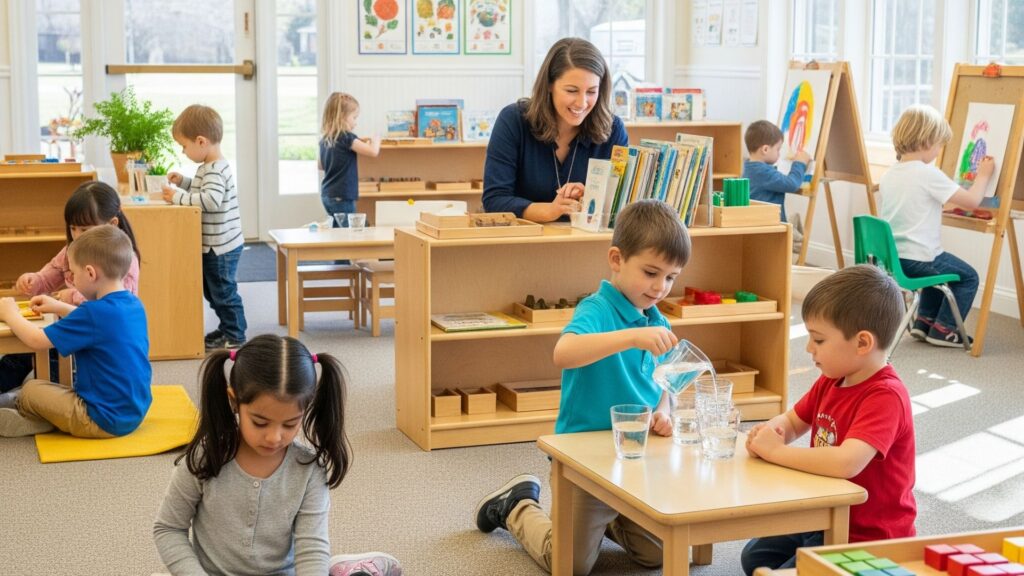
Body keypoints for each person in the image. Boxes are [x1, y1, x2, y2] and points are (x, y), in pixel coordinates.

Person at [473, 200, 691, 575]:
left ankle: (606, 519)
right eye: (651, 273)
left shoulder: (658, 324)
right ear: (617, 259)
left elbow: (666, 386)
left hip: (634, 460)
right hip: (584, 461)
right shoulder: (597, 309)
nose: (660, 288)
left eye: (671, 277)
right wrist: (630, 337)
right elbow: (564, 352)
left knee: (665, 554)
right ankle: (517, 506)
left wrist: (663, 412)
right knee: (570, 565)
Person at [152, 334, 402, 576]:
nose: (274, 437)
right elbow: (169, 528)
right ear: (234, 400)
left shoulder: (309, 469)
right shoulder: (205, 457)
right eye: (260, 422)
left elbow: (311, 548)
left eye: (290, 424)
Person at [740, 265, 915, 575]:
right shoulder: (833, 379)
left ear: (862, 343)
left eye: (818, 340)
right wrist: (771, 432)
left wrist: (777, 452)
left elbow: (845, 463)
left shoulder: (886, 396)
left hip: (868, 538)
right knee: (754, 558)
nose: (809, 349)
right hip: (824, 515)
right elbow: (794, 421)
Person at [0, 225, 152, 438]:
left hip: (98, 419)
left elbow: (36, 340)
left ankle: (32, 418)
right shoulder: (133, 304)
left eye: (73, 273)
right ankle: (36, 412)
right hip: (134, 412)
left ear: (90, 273)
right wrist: (58, 306)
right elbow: (99, 324)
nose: (71, 279)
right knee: (47, 386)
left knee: (31, 389)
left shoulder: (92, 313)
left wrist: (10, 314)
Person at [0, 181, 142, 398]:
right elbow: (51, 273)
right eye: (73, 228)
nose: (77, 235)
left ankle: (38, 398)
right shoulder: (72, 250)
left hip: (93, 345)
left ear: (112, 224)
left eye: (84, 229)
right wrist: (33, 280)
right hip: (78, 326)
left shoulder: (124, 260)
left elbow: (116, 307)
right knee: (20, 353)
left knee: (46, 367)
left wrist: (71, 297)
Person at [879, 104, 994, 348]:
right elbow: (973, 201)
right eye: (939, 144)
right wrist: (984, 174)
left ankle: (924, 323)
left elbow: (915, 205)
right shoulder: (927, 173)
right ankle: (944, 329)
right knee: (968, 277)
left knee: (934, 273)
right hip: (920, 258)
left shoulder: (891, 174)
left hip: (896, 260)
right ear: (926, 141)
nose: (940, 150)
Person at [482, 37, 628, 223]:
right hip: (522, 244)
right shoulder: (514, 120)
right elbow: (494, 200)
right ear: (550, 85)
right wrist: (550, 211)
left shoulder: (613, 129)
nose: (582, 103)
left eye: (591, 92)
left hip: (587, 245)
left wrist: (591, 197)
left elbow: (620, 205)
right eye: (571, 91)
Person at [162, 104, 248, 350]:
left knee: (223, 291)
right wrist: (185, 182)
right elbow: (203, 190)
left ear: (201, 141)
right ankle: (226, 327)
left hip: (220, 247)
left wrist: (176, 196)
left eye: (184, 145)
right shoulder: (209, 168)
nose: (183, 151)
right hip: (217, 244)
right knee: (214, 292)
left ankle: (236, 334)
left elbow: (210, 200)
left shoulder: (214, 170)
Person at [319, 92, 381, 228]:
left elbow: (321, 165)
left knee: (336, 230)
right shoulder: (347, 138)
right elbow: (373, 151)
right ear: (342, 117)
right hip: (343, 196)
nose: (355, 122)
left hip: (327, 195)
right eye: (354, 117)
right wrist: (376, 139)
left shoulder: (325, 139)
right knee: (349, 232)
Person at [742, 119, 811, 225]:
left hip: (756, 222)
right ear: (765, 149)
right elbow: (792, 184)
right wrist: (799, 163)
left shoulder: (748, 167)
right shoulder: (762, 172)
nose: (779, 154)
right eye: (778, 149)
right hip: (768, 226)